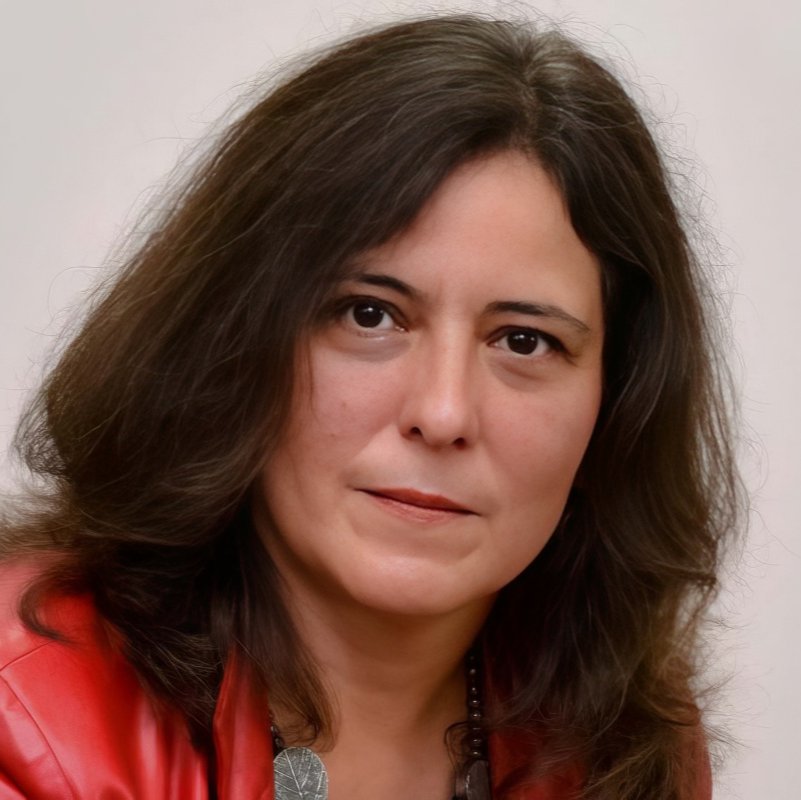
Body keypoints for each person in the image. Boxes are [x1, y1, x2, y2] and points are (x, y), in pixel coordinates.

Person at [0, 13, 741, 800]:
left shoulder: (623, 741)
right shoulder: (25, 723)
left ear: (617, 405)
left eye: (523, 341)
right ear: (230, 342)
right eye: (370, 315)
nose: (443, 413)